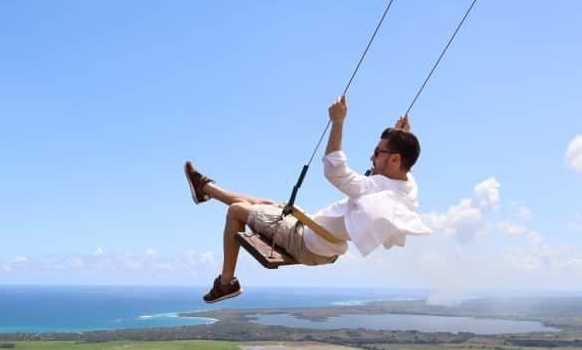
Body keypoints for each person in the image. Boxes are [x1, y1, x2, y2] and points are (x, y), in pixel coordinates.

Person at [184, 94, 430, 303]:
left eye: (378, 152)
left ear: (395, 159)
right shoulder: (407, 187)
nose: (372, 157)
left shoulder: (374, 188)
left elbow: (334, 169)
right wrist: (404, 134)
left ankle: (226, 283)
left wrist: (337, 122)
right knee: (267, 204)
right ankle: (206, 189)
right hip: (323, 244)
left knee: (237, 210)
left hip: (305, 242)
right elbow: (400, 167)